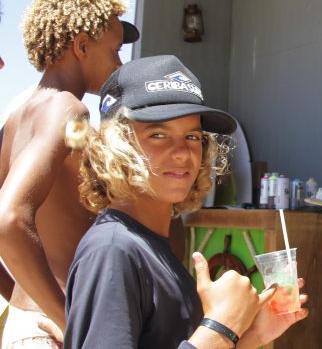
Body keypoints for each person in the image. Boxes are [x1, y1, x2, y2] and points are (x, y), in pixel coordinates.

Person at [63, 55, 308, 348]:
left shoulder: (148, 244)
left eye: (192, 136)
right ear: (116, 146)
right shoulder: (113, 251)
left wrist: (253, 334)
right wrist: (221, 327)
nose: (182, 152)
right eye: (157, 134)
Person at [0, 0, 140, 347]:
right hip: (55, 330)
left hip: (29, 323)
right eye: (114, 51)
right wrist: (68, 320)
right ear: (81, 46)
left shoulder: (18, 116)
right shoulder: (68, 108)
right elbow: (7, 220)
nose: (119, 63)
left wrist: (22, 298)